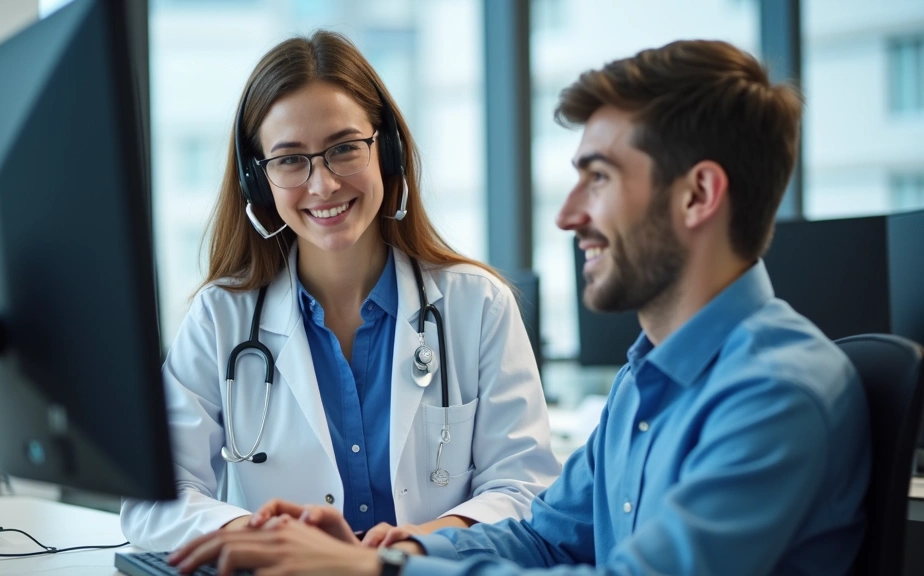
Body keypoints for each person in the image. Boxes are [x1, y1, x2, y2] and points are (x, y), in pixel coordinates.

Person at [166, 39, 872, 576]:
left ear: (697, 195)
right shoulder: (647, 382)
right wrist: (403, 546)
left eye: (597, 177)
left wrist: (378, 567)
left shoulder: (777, 393)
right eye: (290, 159)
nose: (567, 216)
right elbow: (543, 533)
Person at [120, 30, 561, 552]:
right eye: (289, 159)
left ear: (387, 151)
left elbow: (526, 489)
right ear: (257, 180)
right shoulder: (221, 318)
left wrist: (415, 546)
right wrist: (275, 542)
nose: (323, 184)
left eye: (344, 148)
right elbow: (153, 500)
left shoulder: (478, 305)